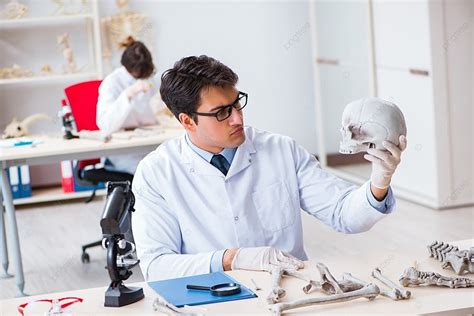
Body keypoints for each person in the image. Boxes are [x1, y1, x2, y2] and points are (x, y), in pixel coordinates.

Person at [132, 55, 407, 281]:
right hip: (212, 297)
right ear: (188, 121)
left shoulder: (281, 150)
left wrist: (378, 183)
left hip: (291, 290)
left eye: (237, 103)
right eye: (221, 112)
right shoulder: (157, 173)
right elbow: (157, 266)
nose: (237, 118)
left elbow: (343, 214)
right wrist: (230, 259)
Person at [96, 37, 160, 175]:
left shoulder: (147, 79)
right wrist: (127, 95)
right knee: (150, 173)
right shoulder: (111, 83)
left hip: (147, 143)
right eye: (138, 74)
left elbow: (154, 114)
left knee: (167, 167)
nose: (141, 78)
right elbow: (105, 125)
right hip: (123, 151)